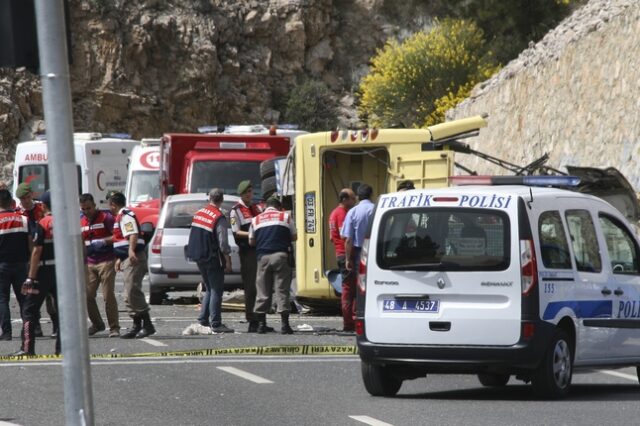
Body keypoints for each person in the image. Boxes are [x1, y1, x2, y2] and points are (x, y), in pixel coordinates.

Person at [14, 191, 60, 355]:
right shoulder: (68, 222)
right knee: (63, 310)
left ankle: (27, 348)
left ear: (44, 205)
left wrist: (30, 277)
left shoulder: (43, 223)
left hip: (42, 272)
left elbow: (36, 251)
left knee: (29, 311)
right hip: (62, 272)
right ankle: (62, 348)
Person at [108, 191, 155, 339]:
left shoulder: (125, 215)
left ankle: (147, 325)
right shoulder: (121, 216)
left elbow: (132, 233)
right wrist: (119, 258)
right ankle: (137, 324)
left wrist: (130, 251)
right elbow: (121, 238)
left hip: (134, 257)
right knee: (128, 294)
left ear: (113, 204)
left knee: (132, 291)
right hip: (127, 257)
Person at [186, 188, 234, 333]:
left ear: (209, 199)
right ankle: (216, 323)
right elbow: (223, 243)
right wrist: (227, 259)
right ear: (222, 200)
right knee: (216, 290)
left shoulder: (199, 213)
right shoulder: (219, 217)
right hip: (213, 256)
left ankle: (203, 320)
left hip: (199, 256)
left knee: (209, 288)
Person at [249, 195, 297, 334]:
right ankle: (284, 325)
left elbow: (251, 241)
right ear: (278, 207)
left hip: (262, 257)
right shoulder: (285, 217)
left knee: (262, 290)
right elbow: (294, 237)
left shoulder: (256, 219)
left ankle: (261, 325)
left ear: (265, 207)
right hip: (281, 256)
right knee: (282, 289)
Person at [230, 179, 273, 333]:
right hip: (248, 251)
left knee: (263, 285)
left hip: (261, 249)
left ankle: (261, 318)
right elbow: (236, 232)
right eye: (247, 192)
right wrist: (252, 234)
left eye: (251, 191)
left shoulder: (256, 208)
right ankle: (252, 320)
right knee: (251, 287)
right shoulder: (236, 210)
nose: (250, 194)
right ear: (242, 194)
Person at [80, 193, 120, 337]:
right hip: (89, 263)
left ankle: (114, 327)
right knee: (87, 295)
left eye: (89, 208)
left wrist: (104, 241)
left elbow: (117, 236)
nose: (86, 211)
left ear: (95, 206)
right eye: (83, 209)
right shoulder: (81, 221)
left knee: (108, 295)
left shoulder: (106, 218)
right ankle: (97, 324)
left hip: (106, 261)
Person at [340, 184, 375, 328]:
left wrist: (348, 259)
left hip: (359, 252)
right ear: (371, 195)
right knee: (373, 284)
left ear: (358, 197)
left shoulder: (353, 212)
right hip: (374, 251)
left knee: (359, 286)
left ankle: (359, 317)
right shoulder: (376, 209)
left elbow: (348, 239)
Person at [0, 189, 30, 341]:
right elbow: (31, 243)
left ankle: (6, 333)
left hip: (2, 265)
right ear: (11, 202)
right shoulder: (23, 219)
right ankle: (27, 332)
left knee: (2, 299)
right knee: (24, 299)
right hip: (21, 265)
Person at [328, 188, 357, 332]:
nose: (355, 200)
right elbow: (345, 237)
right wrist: (348, 257)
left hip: (339, 253)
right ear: (345, 199)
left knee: (348, 288)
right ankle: (348, 322)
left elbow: (331, 238)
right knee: (349, 289)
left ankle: (350, 320)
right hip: (345, 254)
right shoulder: (342, 214)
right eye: (352, 198)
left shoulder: (333, 214)